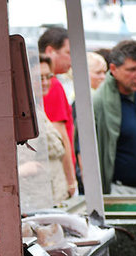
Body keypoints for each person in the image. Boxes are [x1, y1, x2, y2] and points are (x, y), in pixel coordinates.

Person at [93, 39, 136, 194]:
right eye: (132, 70)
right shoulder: (99, 103)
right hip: (119, 189)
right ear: (113, 69)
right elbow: (84, 153)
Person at [38, 26, 77, 197]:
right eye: (68, 52)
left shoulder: (44, 86)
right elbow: (60, 137)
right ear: (50, 51)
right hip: (57, 178)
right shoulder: (52, 86)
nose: (72, 58)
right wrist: (71, 180)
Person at [72, 51, 108, 194]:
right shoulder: (83, 103)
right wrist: (88, 180)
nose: (103, 77)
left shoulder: (87, 99)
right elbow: (81, 144)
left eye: (104, 72)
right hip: (89, 176)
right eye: (98, 73)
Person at [39, 54, 73, 205]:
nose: (46, 82)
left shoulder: (39, 110)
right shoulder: (26, 114)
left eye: (49, 76)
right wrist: (71, 180)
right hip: (43, 199)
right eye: (40, 78)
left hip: (57, 195)